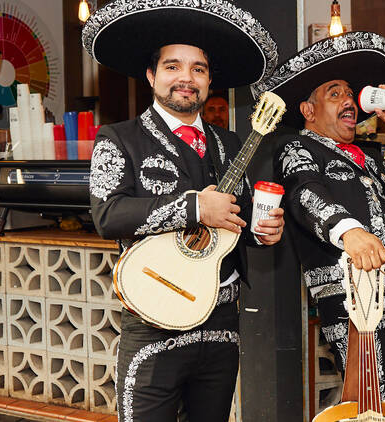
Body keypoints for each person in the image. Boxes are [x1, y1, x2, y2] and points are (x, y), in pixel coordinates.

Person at [82, 2, 282, 421]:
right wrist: (195, 206)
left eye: (199, 69)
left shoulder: (230, 144)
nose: (186, 79)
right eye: (173, 66)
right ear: (152, 76)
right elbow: (107, 215)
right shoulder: (117, 139)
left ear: (209, 81)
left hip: (223, 316)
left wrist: (262, 231)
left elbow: (235, 221)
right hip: (154, 313)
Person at [253, 31, 385, 402]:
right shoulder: (297, 148)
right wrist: (349, 231)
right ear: (308, 111)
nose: (349, 101)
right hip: (355, 301)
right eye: (334, 93)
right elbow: (305, 193)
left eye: (350, 93)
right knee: (368, 404)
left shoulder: (369, 155)